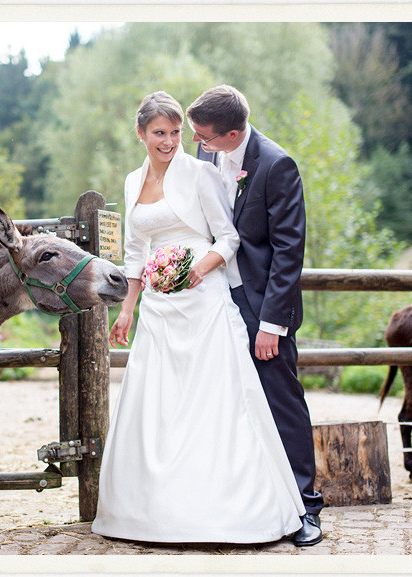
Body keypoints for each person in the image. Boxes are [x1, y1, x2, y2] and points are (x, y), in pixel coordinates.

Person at [91, 91, 305, 544]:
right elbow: (135, 252)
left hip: (204, 301)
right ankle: (154, 512)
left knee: (213, 403)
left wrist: (193, 270)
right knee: (160, 408)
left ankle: (240, 509)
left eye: (175, 132)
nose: (171, 142)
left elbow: (228, 239)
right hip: (157, 310)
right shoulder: (132, 182)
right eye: (159, 133)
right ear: (141, 134)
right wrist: (128, 308)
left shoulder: (203, 171)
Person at [186, 85, 324, 546]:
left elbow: (289, 249)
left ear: (231, 132)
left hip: (261, 303)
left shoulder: (276, 164)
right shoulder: (206, 157)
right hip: (213, 301)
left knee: (281, 400)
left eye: (204, 137)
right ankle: (246, 503)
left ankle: (306, 506)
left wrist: (271, 324)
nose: (197, 144)